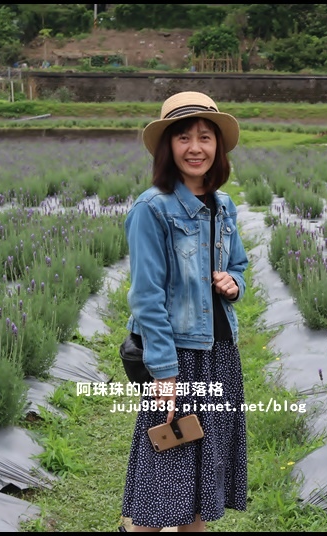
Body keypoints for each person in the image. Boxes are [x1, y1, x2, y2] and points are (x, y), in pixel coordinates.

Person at [120, 91, 249, 532]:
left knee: (200, 485)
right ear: (167, 147)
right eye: (183, 137)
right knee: (163, 484)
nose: (196, 147)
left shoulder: (224, 206)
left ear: (219, 146)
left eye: (205, 137)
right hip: (177, 358)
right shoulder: (151, 209)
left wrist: (235, 284)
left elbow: (238, 265)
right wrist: (164, 373)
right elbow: (146, 298)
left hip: (218, 353)